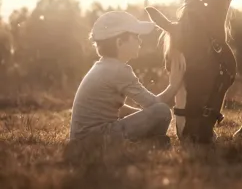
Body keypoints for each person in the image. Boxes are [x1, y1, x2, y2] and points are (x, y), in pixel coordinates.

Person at [68, 10, 186, 147]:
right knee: (162, 112)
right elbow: (154, 103)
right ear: (119, 42)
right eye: (136, 37)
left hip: (82, 138)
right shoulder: (119, 70)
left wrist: (144, 116)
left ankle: (149, 142)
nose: (140, 41)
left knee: (156, 113)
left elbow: (116, 108)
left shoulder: (103, 67)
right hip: (97, 137)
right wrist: (174, 85)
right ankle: (148, 142)